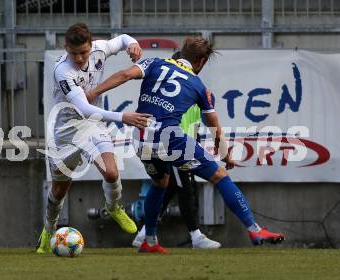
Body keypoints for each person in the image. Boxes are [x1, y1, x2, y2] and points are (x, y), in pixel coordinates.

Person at [87, 37, 285, 253]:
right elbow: (214, 124)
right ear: (200, 62)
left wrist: (93, 93)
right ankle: (254, 228)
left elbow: (125, 75)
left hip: (140, 136)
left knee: (161, 182)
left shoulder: (154, 63)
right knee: (220, 175)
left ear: (181, 53)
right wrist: (225, 155)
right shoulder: (198, 85)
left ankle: (149, 240)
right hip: (169, 137)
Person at [36, 23, 151, 254]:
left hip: (93, 127)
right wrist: (122, 117)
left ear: (91, 46)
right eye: (73, 53)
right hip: (65, 132)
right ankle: (49, 229)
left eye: (84, 52)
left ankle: (113, 207)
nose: (79, 58)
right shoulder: (62, 71)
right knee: (59, 190)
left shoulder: (100, 48)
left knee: (111, 172)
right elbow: (85, 108)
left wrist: (133, 44)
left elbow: (122, 39)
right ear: (65, 48)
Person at [131, 52, 221, 249]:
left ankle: (144, 233)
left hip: (184, 145)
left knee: (169, 187)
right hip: (173, 146)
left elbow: (201, 121)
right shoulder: (180, 92)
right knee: (184, 189)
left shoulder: (196, 91)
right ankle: (195, 236)